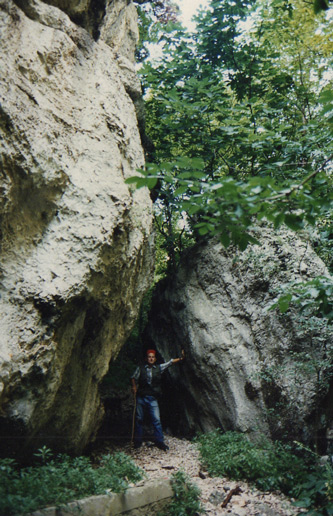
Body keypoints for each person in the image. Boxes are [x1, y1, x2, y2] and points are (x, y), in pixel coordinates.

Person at [131, 349, 185, 451]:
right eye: (149, 357)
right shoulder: (140, 368)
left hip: (152, 398)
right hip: (141, 397)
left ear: (155, 359)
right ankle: (137, 442)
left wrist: (181, 358)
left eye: (152, 357)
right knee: (138, 419)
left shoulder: (159, 368)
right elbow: (133, 377)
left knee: (156, 420)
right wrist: (134, 387)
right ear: (146, 359)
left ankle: (160, 442)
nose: (151, 359)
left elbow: (170, 362)